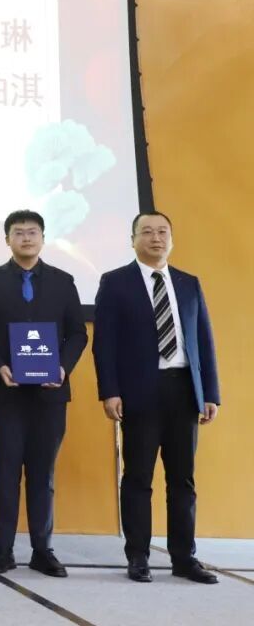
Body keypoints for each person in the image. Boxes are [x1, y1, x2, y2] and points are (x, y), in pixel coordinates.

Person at [93, 211, 221, 584]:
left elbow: (203, 340)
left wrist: (209, 392)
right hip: (140, 392)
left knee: (183, 479)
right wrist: (110, 391)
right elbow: (104, 344)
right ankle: (138, 557)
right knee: (138, 477)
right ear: (133, 239)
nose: (155, 238)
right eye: (146, 232)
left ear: (171, 239)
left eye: (162, 232)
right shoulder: (115, 282)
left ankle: (184, 558)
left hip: (183, 391)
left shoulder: (188, 283)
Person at [0, 209, 86, 577]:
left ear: (43, 238)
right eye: (18, 232)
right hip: (6, 393)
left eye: (32, 232)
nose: (26, 238)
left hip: (50, 394)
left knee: (42, 474)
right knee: (6, 472)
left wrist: (63, 367)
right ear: (7, 239)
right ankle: (2, 550)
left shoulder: (63, 281)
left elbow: (78, 333)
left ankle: (42, 549)